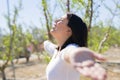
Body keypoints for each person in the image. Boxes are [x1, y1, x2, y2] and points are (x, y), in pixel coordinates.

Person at [44, 13, 107, 80]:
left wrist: (75, 53)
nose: (56, 21)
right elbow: (47, 45)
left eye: (61, 20)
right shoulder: (57, 51)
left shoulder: (68, 50)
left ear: (69, 30)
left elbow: (70, 51)